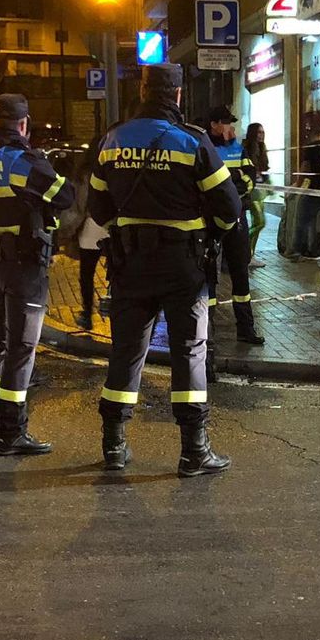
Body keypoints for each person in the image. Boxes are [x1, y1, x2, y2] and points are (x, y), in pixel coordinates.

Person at [85, 63, 242, 477]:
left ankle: (114, 447)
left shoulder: (112, 140)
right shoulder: (192, 142)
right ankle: (194, 451)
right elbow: (229, 208)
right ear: (176, 96)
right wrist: (213, 234)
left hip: (129, 264)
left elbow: (98, 210)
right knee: (188, 351)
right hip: (181, 265)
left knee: (126, 351)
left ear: (141, 91)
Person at [0, 93, 77, 458]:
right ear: (23, 124)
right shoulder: (23, 163)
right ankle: (13, 432)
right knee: (21, 348)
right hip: (23, 265)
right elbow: (66, 195)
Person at [205, 105, 263, 346]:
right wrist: (234, 179)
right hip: (209, 221)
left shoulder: (237, 149)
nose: (231, 128)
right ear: (214, 125)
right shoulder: (203, 146)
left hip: (236, 219)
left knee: (241, 272)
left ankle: (246, 328)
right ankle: (207, 331)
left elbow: (250, 178)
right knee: (208, 276)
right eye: (227, 123)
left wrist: (232, 184)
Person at [242, 122, 269, 264]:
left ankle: (250, 253)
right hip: (252, 190)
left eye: (262, 132)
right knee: (259, 222)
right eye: (258, 132)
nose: (261, 135)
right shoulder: (246, 149)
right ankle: (247, 252)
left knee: (258, 222)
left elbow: (265, 169)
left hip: (261, 190)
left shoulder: (262, 149)